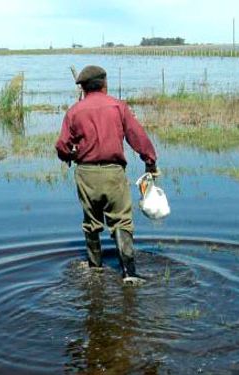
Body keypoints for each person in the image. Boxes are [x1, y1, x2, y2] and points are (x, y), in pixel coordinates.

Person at [55, 65, 158, 284]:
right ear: (104, 84)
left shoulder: (74, 111)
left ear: (82, 87)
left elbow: (62, 146)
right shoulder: (117, 106)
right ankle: (129, 273)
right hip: (113, 173)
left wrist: (71, 156)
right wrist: (150, 162)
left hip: (85, 174)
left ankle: (95, 269)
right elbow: (137, 137)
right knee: (121, 221)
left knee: (91, 223)